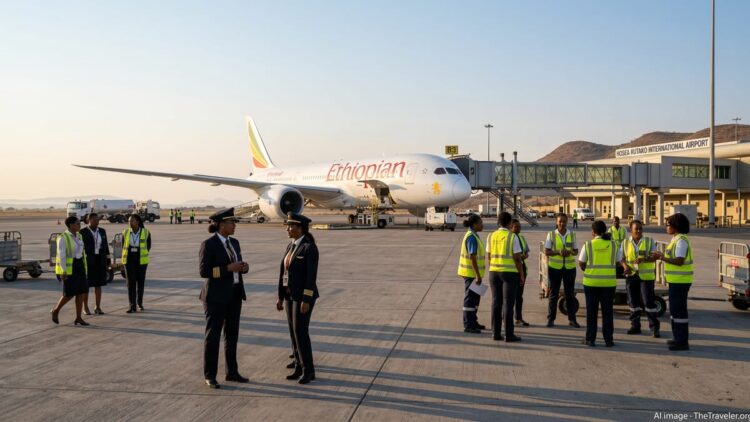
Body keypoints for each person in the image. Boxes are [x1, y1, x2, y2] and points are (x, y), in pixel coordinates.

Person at [198, 208, 250, 389]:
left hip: (235, 294)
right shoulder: (209, 244)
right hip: (215, 297)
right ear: (221, 224)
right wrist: (228, 268)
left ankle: (232, 372)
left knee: (232, 335)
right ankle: (210, 375)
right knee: (213, 337)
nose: (235, 225)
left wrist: (244, 267)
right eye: (232, 222)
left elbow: (238, 264)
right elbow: (204, 272)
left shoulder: (234, 243)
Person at [277, 213, 319, 384]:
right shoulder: (291, 246)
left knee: (301, 332)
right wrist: (280, 296)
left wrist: (306, 300)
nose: (287, 229)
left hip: (302, 297)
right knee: (293, 332)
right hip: (289, 295)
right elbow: (283, 273)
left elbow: (311, 277)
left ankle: (309, 370)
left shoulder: (309, 247)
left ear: (300, 228)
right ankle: (298, 365)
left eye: (290, 226)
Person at [578, 220, 622, 347]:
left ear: (593, 232)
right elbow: (619, 262)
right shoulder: (613, 245)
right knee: (607, 312)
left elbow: (581, 262)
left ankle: (590, 339)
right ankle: (609, 340)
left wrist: (589, 269)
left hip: (591, 283)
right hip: (608, 283)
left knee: (591, 312)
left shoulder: (588, 245)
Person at [653, 213, 693, 351]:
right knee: (675, 311)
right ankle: (677, 338)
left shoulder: (681, 240)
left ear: (675, 226)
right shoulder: (675, 239)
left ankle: (682, 341)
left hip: (680, 281)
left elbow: (679, 261)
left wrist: (662, 258)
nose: (666, 227)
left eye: (668, 224)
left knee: (679, 311)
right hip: (675, 281)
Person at [486, 211, 524, 342]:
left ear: (498, 222)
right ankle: (509, 334)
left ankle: (495, 333)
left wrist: (493, 268)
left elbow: (489, 256)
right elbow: (518, 258)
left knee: (496, 302)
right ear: (509, 223)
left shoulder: (491, 236)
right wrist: (521, 274)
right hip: (509, 273)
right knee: (508, 303)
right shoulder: (513, 237)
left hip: (494, 272)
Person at [621, 220, 660, 337]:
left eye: (640, 229)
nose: (638, 231)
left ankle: (654, 328)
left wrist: (644, 259)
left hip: (646, 277)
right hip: (631, 275)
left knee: (648, 302)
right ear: (630, 230)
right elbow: (621, 258)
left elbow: (655, 256)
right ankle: (635, 326)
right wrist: (625, 266)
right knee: (633, 302)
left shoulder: (649, 241)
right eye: (636, 229)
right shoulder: (625, 243)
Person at [50, 216, 90, 326]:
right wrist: (63, 271)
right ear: (71, 225)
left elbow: (82, 253)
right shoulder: (63, 237)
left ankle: (78, 317)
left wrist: (85, 268)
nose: (79, 225)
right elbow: (62, 256)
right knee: (69, 294)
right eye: (77, 224)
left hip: (80, 266)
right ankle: (56, 310)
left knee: (81, 292)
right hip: (68, 268)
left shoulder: (79, 235)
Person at [543, 213, 580, 328]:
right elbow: (547, 251)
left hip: (569, 268)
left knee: (570, 295)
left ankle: (572, 319)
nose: (562, 224)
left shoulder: (572, 234)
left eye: (564, 221)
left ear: (567, 222)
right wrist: (558, 252)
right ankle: (551, 319)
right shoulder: (551, 235)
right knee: (553, 294)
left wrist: (569, 252)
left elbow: (576, 251)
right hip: (555, 268)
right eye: (560, 221)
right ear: (556, 222)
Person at [457, 213, 486, 333]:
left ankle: (473, 321)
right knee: (470, 299)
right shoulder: (471, 237)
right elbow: (472, 257)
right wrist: (478, 276)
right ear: (475, 224)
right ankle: (468, 324)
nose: (482, 225)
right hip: (471, 274)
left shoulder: (474, 235)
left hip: (474, 274)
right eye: (480, 223)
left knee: (475, 299)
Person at [80, 213, 110, 315]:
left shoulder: (102, 231)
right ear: (88, 220)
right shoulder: (82, 232)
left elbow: (105, 247)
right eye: (94, 220)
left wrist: (107, 261)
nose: (97, 222)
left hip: (100, 260)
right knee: (86, 285)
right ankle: (85, 307)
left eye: (98, 220)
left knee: (99, 285)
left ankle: (97, 307)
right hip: (88, 261)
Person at [123, 214, 151, 313]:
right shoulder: (125, 232)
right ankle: (132, 306)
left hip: (141, 261)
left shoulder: (146, 232)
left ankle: (139, 303)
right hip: (129, 260)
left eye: (132, 221)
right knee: (130, 283)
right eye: (129, 221)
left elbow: (148, 246)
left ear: (138, 221)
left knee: (140, 283)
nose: (130, 223)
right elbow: (124, 246)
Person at [510, 219, 530, 327]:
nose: (519, 228)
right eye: (516, 227)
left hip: (522, 268)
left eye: (519, 226)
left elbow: (526, 252)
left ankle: (518, 317)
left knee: (519, 296)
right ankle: (507, 318)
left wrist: (524, 255)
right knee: (510, 296)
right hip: (513, 270)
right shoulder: (510, 238)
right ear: (511, 227)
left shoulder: (521, 237)